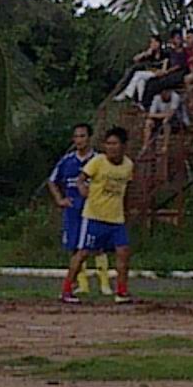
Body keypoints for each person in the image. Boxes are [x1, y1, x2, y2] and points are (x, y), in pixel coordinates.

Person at [60, 126, 135, 305]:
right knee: (83, 253)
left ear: (123, 146)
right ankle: (67, 289)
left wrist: (127, 210)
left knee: (123, 252)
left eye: (115, 144)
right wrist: (82, 189)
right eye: (108, 144)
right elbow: (81, 178)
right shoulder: (98, 162)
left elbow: (127, 189)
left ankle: (121, 291)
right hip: (94, 216)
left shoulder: (128, 165)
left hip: (116, 218)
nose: (111, 148)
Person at [45, 122, 94, 268]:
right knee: (74, 245)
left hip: (93, 209)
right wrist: (60, 199)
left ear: (89, 138)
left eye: (82, 136)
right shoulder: (67, 160)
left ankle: (102, 277)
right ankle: (77, 277)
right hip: (73, 208)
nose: (79, 140)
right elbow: (52, 181)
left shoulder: (98, 160)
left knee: (95, 246)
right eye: (76, 137)